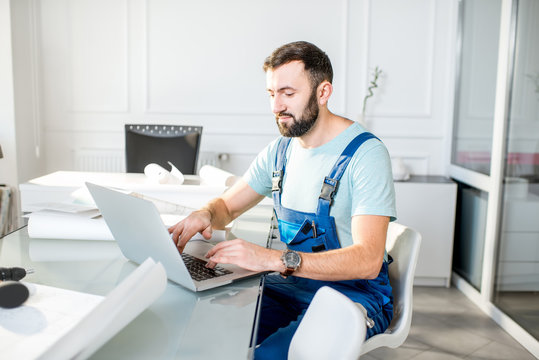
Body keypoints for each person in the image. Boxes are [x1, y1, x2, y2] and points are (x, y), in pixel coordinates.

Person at [169, 41, 396, 359]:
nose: (276, 106)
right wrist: (206, 214)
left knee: (273, 355)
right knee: (208, 329)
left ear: (323, 92)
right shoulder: (280, 152)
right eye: (271, 94)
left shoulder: (365, 154)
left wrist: (272, 260)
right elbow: (226, 207)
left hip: (354, 294)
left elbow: (369, 261)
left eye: (288, 93)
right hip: (294, 286)